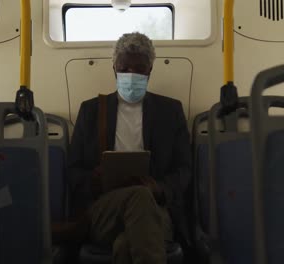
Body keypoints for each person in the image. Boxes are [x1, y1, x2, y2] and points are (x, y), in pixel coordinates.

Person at [64, 32, 192, 264]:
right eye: (124, 68)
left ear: (150, 71)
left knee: (125, 244)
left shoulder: (170, 112)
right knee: (139, 196)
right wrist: (93, 180)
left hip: (155, 209)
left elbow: (184, 169)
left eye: (139, 69)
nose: (131, 74)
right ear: (114, 68)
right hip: (104, 209)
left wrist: (160, 188)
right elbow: (73, 171)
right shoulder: (92, 111)